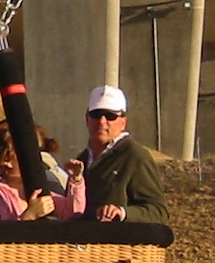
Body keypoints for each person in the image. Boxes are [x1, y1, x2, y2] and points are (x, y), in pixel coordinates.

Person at [68, 85, 169, 224]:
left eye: (111, 116)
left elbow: (159, 212)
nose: (102, 122)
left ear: (123, 122)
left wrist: (122, 213)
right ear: (87, 119)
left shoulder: (136, 157)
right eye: (96, 115)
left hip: (119, 243)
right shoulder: (81, 160)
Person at [0, 125, 84, 220]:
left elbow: (71, 212)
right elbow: (4, 234)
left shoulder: (35, 188)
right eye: (26, 154)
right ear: (6, 159)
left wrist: (76, 180)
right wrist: (30, 215)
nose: (34, 159)